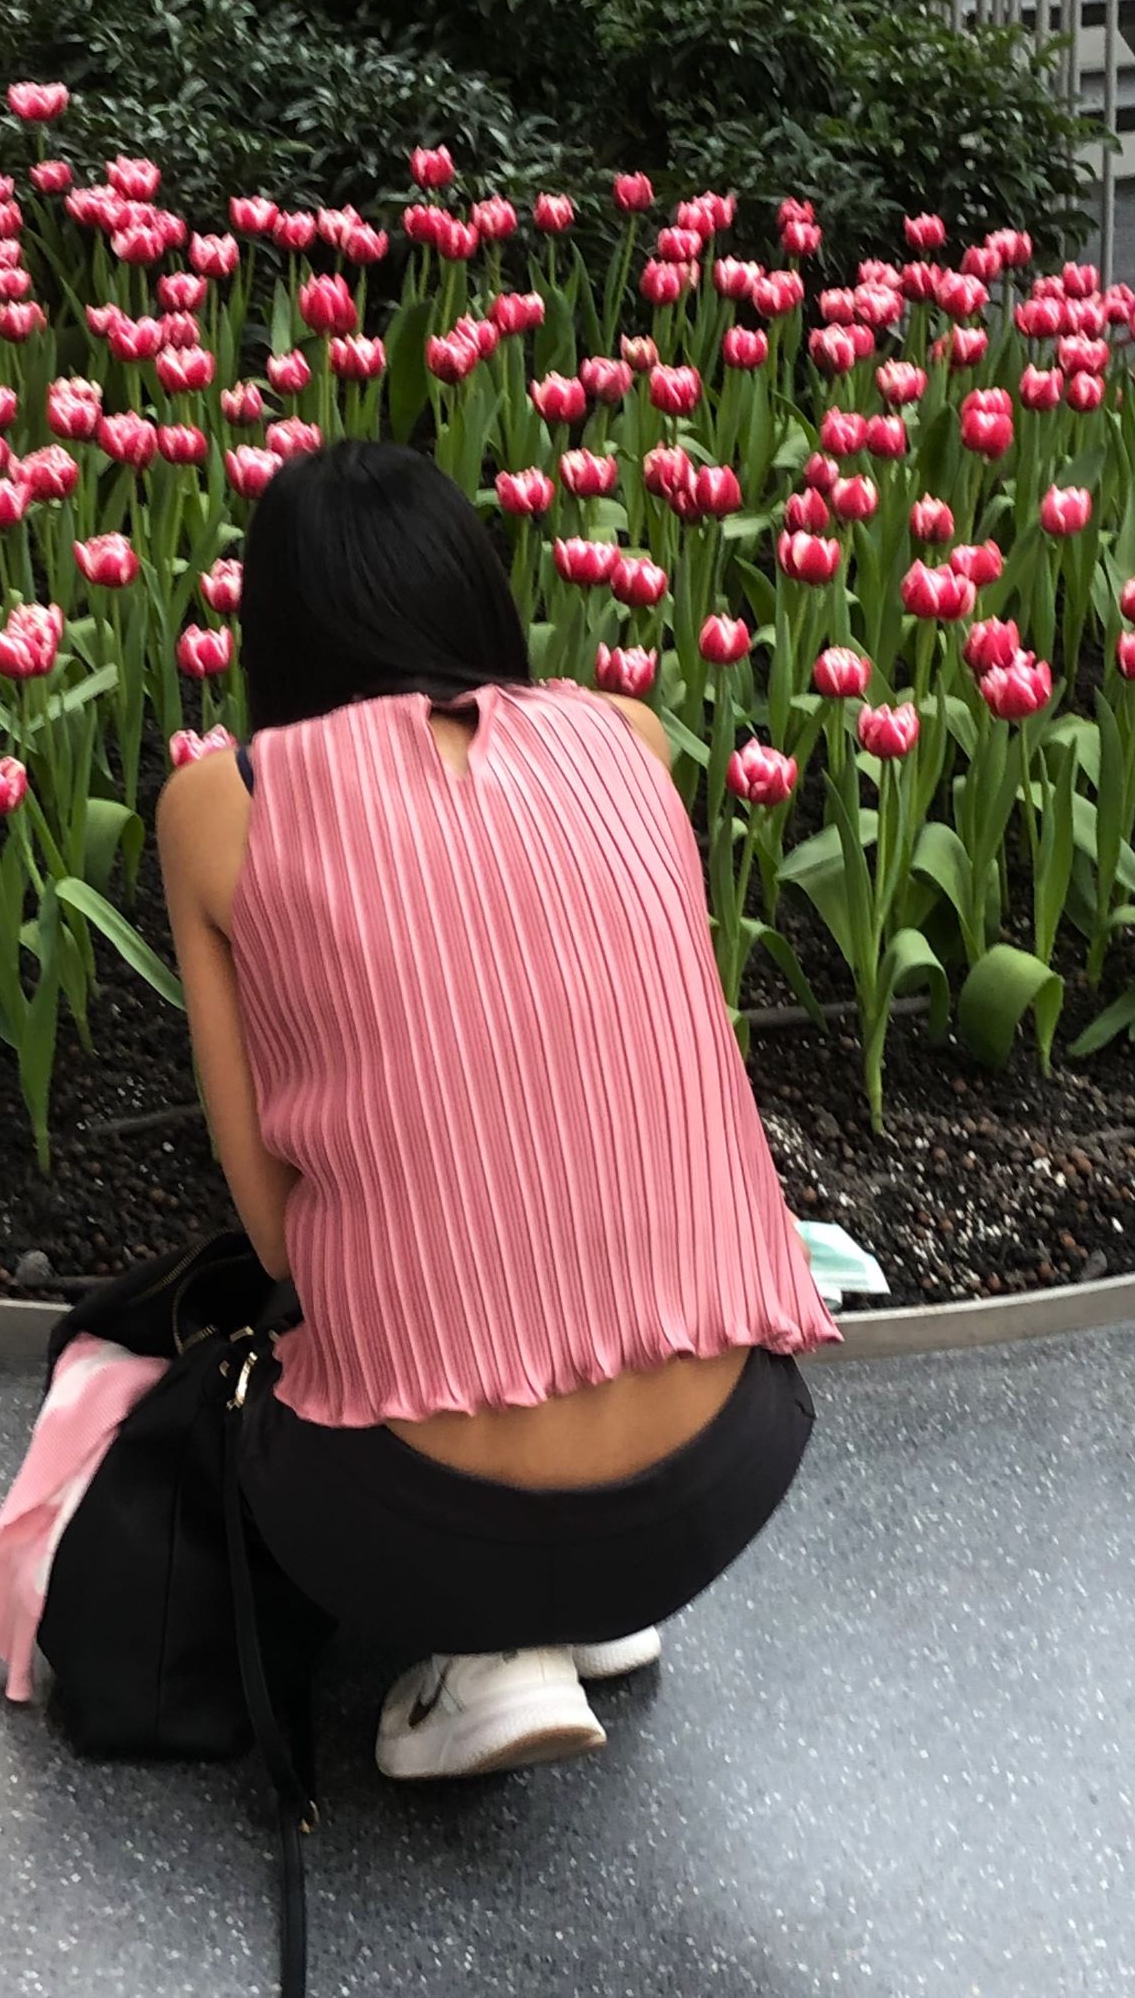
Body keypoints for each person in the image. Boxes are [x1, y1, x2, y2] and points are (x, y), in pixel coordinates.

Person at [156, 440, 839, 1782]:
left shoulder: (218, 805)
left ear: (275, 625)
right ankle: (591, 1610)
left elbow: (282, 1239)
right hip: (728, 1469)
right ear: (475, 595)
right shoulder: (628, 736)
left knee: (295, 1356)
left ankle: (483, 1656)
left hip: (415, 1514)